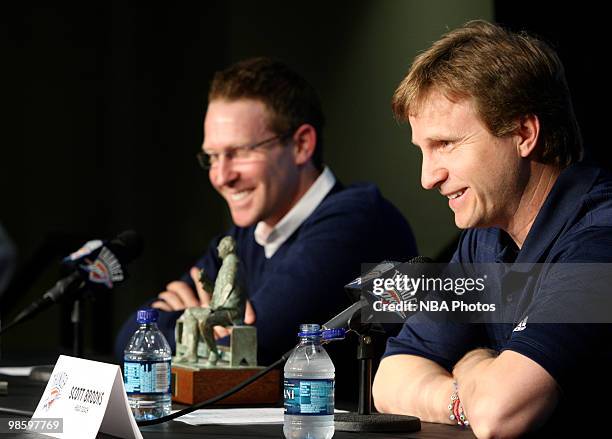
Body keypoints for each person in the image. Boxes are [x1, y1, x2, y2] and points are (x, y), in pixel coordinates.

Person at [372, 20, 612, 437]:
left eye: (445, 144)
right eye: (422, 150)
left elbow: (500, 414)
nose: (428, 177)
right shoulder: (484, 239)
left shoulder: (601, 239)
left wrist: (471, 361)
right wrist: (464, 396)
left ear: (523, 133)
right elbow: (390, 378)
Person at [115, 58, 418, 380]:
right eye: (213, 157)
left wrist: (196, 321)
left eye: (240, 152)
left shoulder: (357, 220)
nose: (221, 176)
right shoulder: (243, 238)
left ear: (301, 145)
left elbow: (259, 347)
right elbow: (133, 343)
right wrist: (203, 321)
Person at [175, 236, 246, 366]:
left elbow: (228, 288)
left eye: (222, 245)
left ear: (229, 248)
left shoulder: (232, 263)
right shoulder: (226, 264)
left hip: (231, 312)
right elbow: (219, 291)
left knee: (205, 321)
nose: (218, 248)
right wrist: (206, 282)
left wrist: (214, 307)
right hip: (223, 309)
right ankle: (191, 353)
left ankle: (213, 352)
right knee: (190, 313)